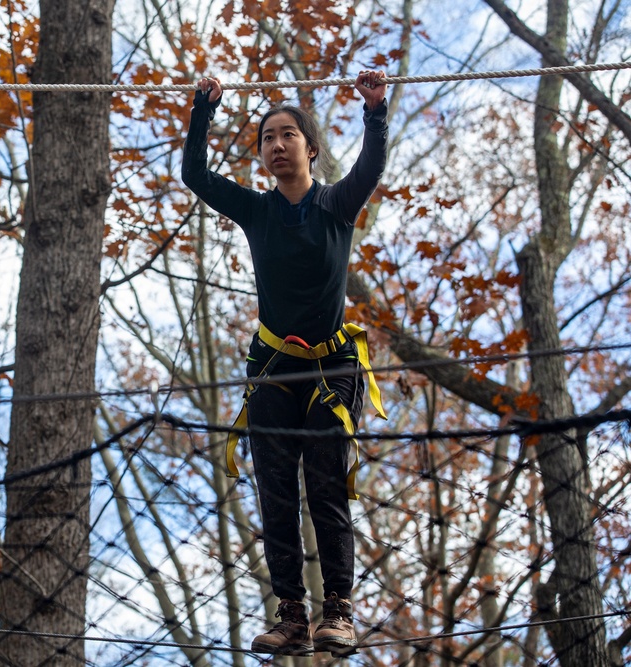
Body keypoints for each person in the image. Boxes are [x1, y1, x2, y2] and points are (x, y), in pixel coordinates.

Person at [181, 70, 389, 656]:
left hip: (329, 369)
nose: (275, 145)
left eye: (287, 135)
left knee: (325, 488)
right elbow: (194, 175)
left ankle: (339, 611)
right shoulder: (256, 210)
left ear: (311, 148)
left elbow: (370, 170)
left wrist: (374, 112)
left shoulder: (337, 204)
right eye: (267, 137)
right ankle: (291, 613)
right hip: (272, 366)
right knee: (276, 490)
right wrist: (204, 110)